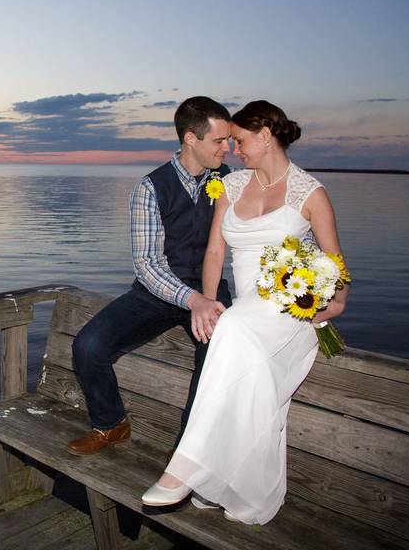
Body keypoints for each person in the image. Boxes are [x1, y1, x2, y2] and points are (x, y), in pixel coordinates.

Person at [140, 100, 350, 525]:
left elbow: (336, 264)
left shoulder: (311, 194)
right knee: (234, 330)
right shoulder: (232, 187)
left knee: (234, 327)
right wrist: (210, 302)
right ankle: (241, 487)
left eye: (239, 140)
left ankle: (182, 470)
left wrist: (335, 303)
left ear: (266, 136)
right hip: (246, 310)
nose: (234, 149)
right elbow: (216, 251)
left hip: (291, 309)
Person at [66, 96, 233, 459]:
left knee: (216, 364)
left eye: (229, 140)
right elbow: (147, 264)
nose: (227, 147)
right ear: (191, 139)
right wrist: (192, 301)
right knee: (87, 346)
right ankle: (111, 424)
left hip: (211, 292)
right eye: (219, 140)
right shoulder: (150, 188)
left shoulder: (231, 182)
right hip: (157, 292)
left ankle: (187, 456)